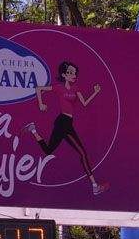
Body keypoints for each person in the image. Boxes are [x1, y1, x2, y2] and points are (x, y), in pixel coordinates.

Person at [24, 60, 108, 195]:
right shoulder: (59, 87)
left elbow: (84, 103)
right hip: (63, 122)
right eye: (70, 72)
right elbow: (39, 88)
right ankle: (94, 186)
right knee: (82, 153)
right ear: (64, 75)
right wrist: (41, 103)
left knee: (48, 150)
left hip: (67, 122)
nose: (73, 74)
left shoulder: (76, 89)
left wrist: (95, 92)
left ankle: (33, 129)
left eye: (74, 72)